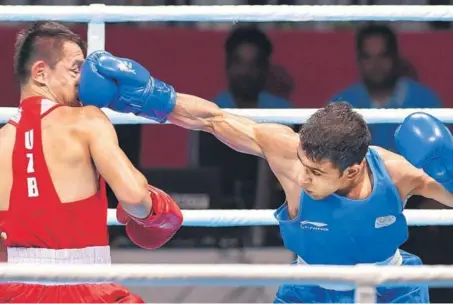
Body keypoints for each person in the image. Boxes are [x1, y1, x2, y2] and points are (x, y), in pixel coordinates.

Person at [79, 49, 453, 303]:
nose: (302, 178)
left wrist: (448, 169)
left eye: (317, 172)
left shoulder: (397, 173)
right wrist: (148, 96)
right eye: (304, 165)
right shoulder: (288, 154)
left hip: (392, 289)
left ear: (353, 170)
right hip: (311, 290)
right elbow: (213, 119)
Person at [0, 22, 183, 303]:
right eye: (76, 69)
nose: (83, 84)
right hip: (84, 289)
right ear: (40, 74)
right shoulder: (87, 120)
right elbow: (135, 198)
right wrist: (156, 209)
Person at [331, 24, 442, 152]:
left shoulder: (426, 101)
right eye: (368, 57)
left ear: (395, 57)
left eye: (383, 56)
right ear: (359, 61)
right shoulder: (340, 105)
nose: (376, 65)